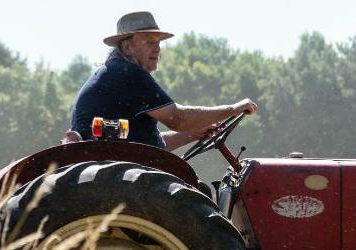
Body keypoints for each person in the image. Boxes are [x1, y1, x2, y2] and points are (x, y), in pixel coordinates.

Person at [65, 11, 258, 151]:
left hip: (113, 161)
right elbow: (177, 118)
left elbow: (148, 146)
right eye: (149, 42)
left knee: (201, 189)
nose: (157, 49)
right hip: (110, 165)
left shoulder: (115, 73)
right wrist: (233, 109)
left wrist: (192, 134)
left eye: (158, 43)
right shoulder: (127, 73)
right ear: (128, 47)